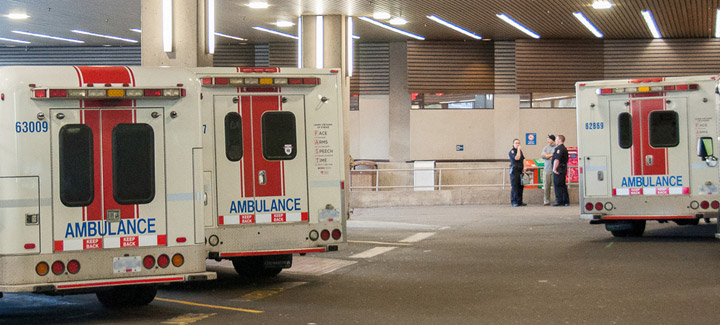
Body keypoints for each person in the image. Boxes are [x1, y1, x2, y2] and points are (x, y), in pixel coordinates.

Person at [552, 135, 570, 206]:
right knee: (563, 185)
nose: (555, 141)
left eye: (556, 139)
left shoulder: (559, 149)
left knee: (558, 185)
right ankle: (565, 201)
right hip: (563, 169)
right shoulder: (564, 148)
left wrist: (554, 168)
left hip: (558, 169)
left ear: (560, 140)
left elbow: (557, 159)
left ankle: (559, 201)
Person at [540, 135, 557, 206]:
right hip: (546, 169)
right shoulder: (545, 147)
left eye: (549, 139)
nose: (548, 140)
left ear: (553, 140)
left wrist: (548, 155)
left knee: (555, 186)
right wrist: (551, 155)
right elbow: (543, 156)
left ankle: (557, 200)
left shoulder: (557, 147)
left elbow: (556, 156)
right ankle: (546, 201)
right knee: (546, 186)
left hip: (554, 169)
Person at [509, 138, 526, 207]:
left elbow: (523, 159)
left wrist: (524, 168)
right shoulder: (512, 151)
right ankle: (514, 201)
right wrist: (518, 150)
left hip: (520, 170)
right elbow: (517, 158)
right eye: (516, 143)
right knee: (515, 186)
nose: (517, 144)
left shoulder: (520, 152)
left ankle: (519, 201)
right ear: (513, 144)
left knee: (520, 186)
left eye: (518, 143)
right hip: (514, 170)